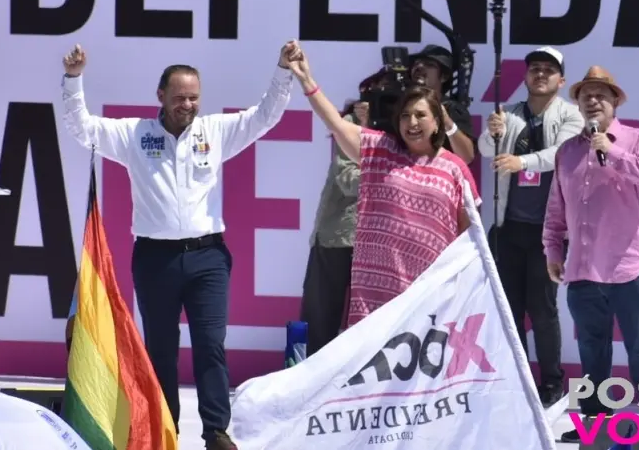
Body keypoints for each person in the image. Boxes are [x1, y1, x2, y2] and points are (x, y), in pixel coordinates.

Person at [59, 42, 295, 450]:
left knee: (211, 346)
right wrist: (74, 79)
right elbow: (83, 129)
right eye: (180, 97)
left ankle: (216, 432)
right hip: (156, 258)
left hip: (208, 257)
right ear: (161, 97)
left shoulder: (214, 131)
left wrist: (282, 70)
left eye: (194, 97)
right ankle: (164, 431)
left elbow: (265, 117)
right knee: (161, 351)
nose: (188, 104)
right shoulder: (135, 134)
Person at [285, 42, 479, 326]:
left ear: (437, 122)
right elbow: (336, 125)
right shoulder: (381, 151)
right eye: (404, 115)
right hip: (376, 299)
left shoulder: (454, 168)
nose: (411, 122)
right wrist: (307, 81)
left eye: (420, 115)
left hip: (428, 295)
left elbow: (469, 238)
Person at [542, 66, 639, 443]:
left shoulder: (637, 139)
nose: (593, 100)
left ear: (615, 101)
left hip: (628, 268)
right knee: (591, 351)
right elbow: (555, 209)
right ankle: (596, 425)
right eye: (586, 95)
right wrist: (553, 250)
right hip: (582, 270)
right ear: (578, 103)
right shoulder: (567, 151)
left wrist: (610, 151)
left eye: (601, 94)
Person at [478, 46, 583, 407]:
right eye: (534, 68)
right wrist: (491, 132)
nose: (540, 74)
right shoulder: (509, 113)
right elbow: (486, 150)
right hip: (509, 227)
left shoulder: (571, 115)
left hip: (548, 231)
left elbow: (561, 154)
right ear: (525, 77)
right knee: (510, 309)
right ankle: (519, 379)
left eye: (548, 69)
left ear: (561, 80)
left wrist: (520, 160)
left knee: (543, 309)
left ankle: (553, 381)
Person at [299, 93, 368, 356]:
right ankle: (311, 384)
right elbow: (349, 180)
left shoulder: (409, 126)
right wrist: (391, 166)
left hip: (385, 240)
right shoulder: (353, 123)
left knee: (374, 321)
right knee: (320, 321)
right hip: (339, 234)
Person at [407, 45, 476, 164]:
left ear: (444, 77)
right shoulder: (402, 107)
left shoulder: (452, 109)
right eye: (417, 63)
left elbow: (467, 157)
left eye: (429, 65)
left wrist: (447, 122)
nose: (419, 67)